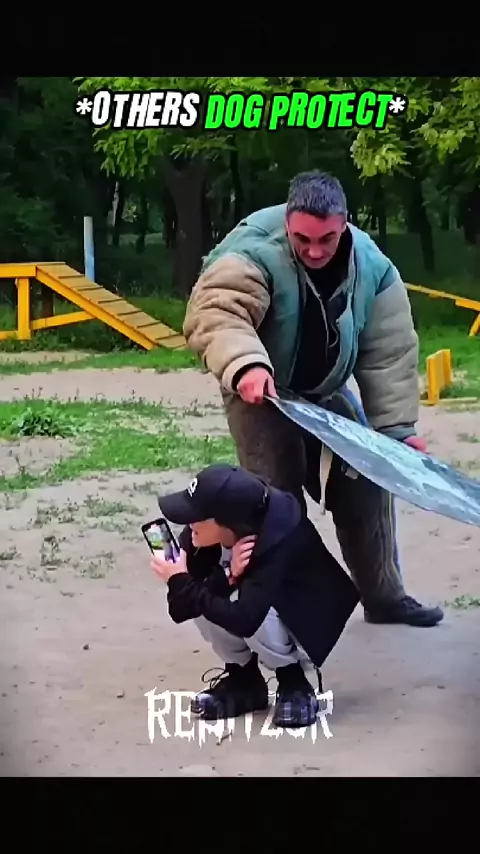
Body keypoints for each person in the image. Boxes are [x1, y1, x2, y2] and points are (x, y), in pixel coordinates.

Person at [182, 170, 444, 629]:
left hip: (325, 392)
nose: (316, 250)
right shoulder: (252, 251)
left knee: (367, 483)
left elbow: (389, 350)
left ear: (345, 223)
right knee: (275, 502)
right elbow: (218, 312)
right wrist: (245, 364)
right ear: (288, 221)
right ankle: (286, 612)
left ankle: (384, 598)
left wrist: (396, 431)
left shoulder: (372, 265)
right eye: (302, 238)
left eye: (327, 239)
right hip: (262, 391)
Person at [150, 463, 359, 728]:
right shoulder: (202, 534)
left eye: (197, 516)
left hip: (308, 619)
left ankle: (294, 682)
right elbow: (180, 608)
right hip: (256, 607)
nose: (188, 524)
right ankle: (244, 681)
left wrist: (191, 583)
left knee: (227, 599)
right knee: (201, 594)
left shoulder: (277, 536)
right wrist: (223, 575)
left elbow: (248, 619)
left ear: (227, 522)